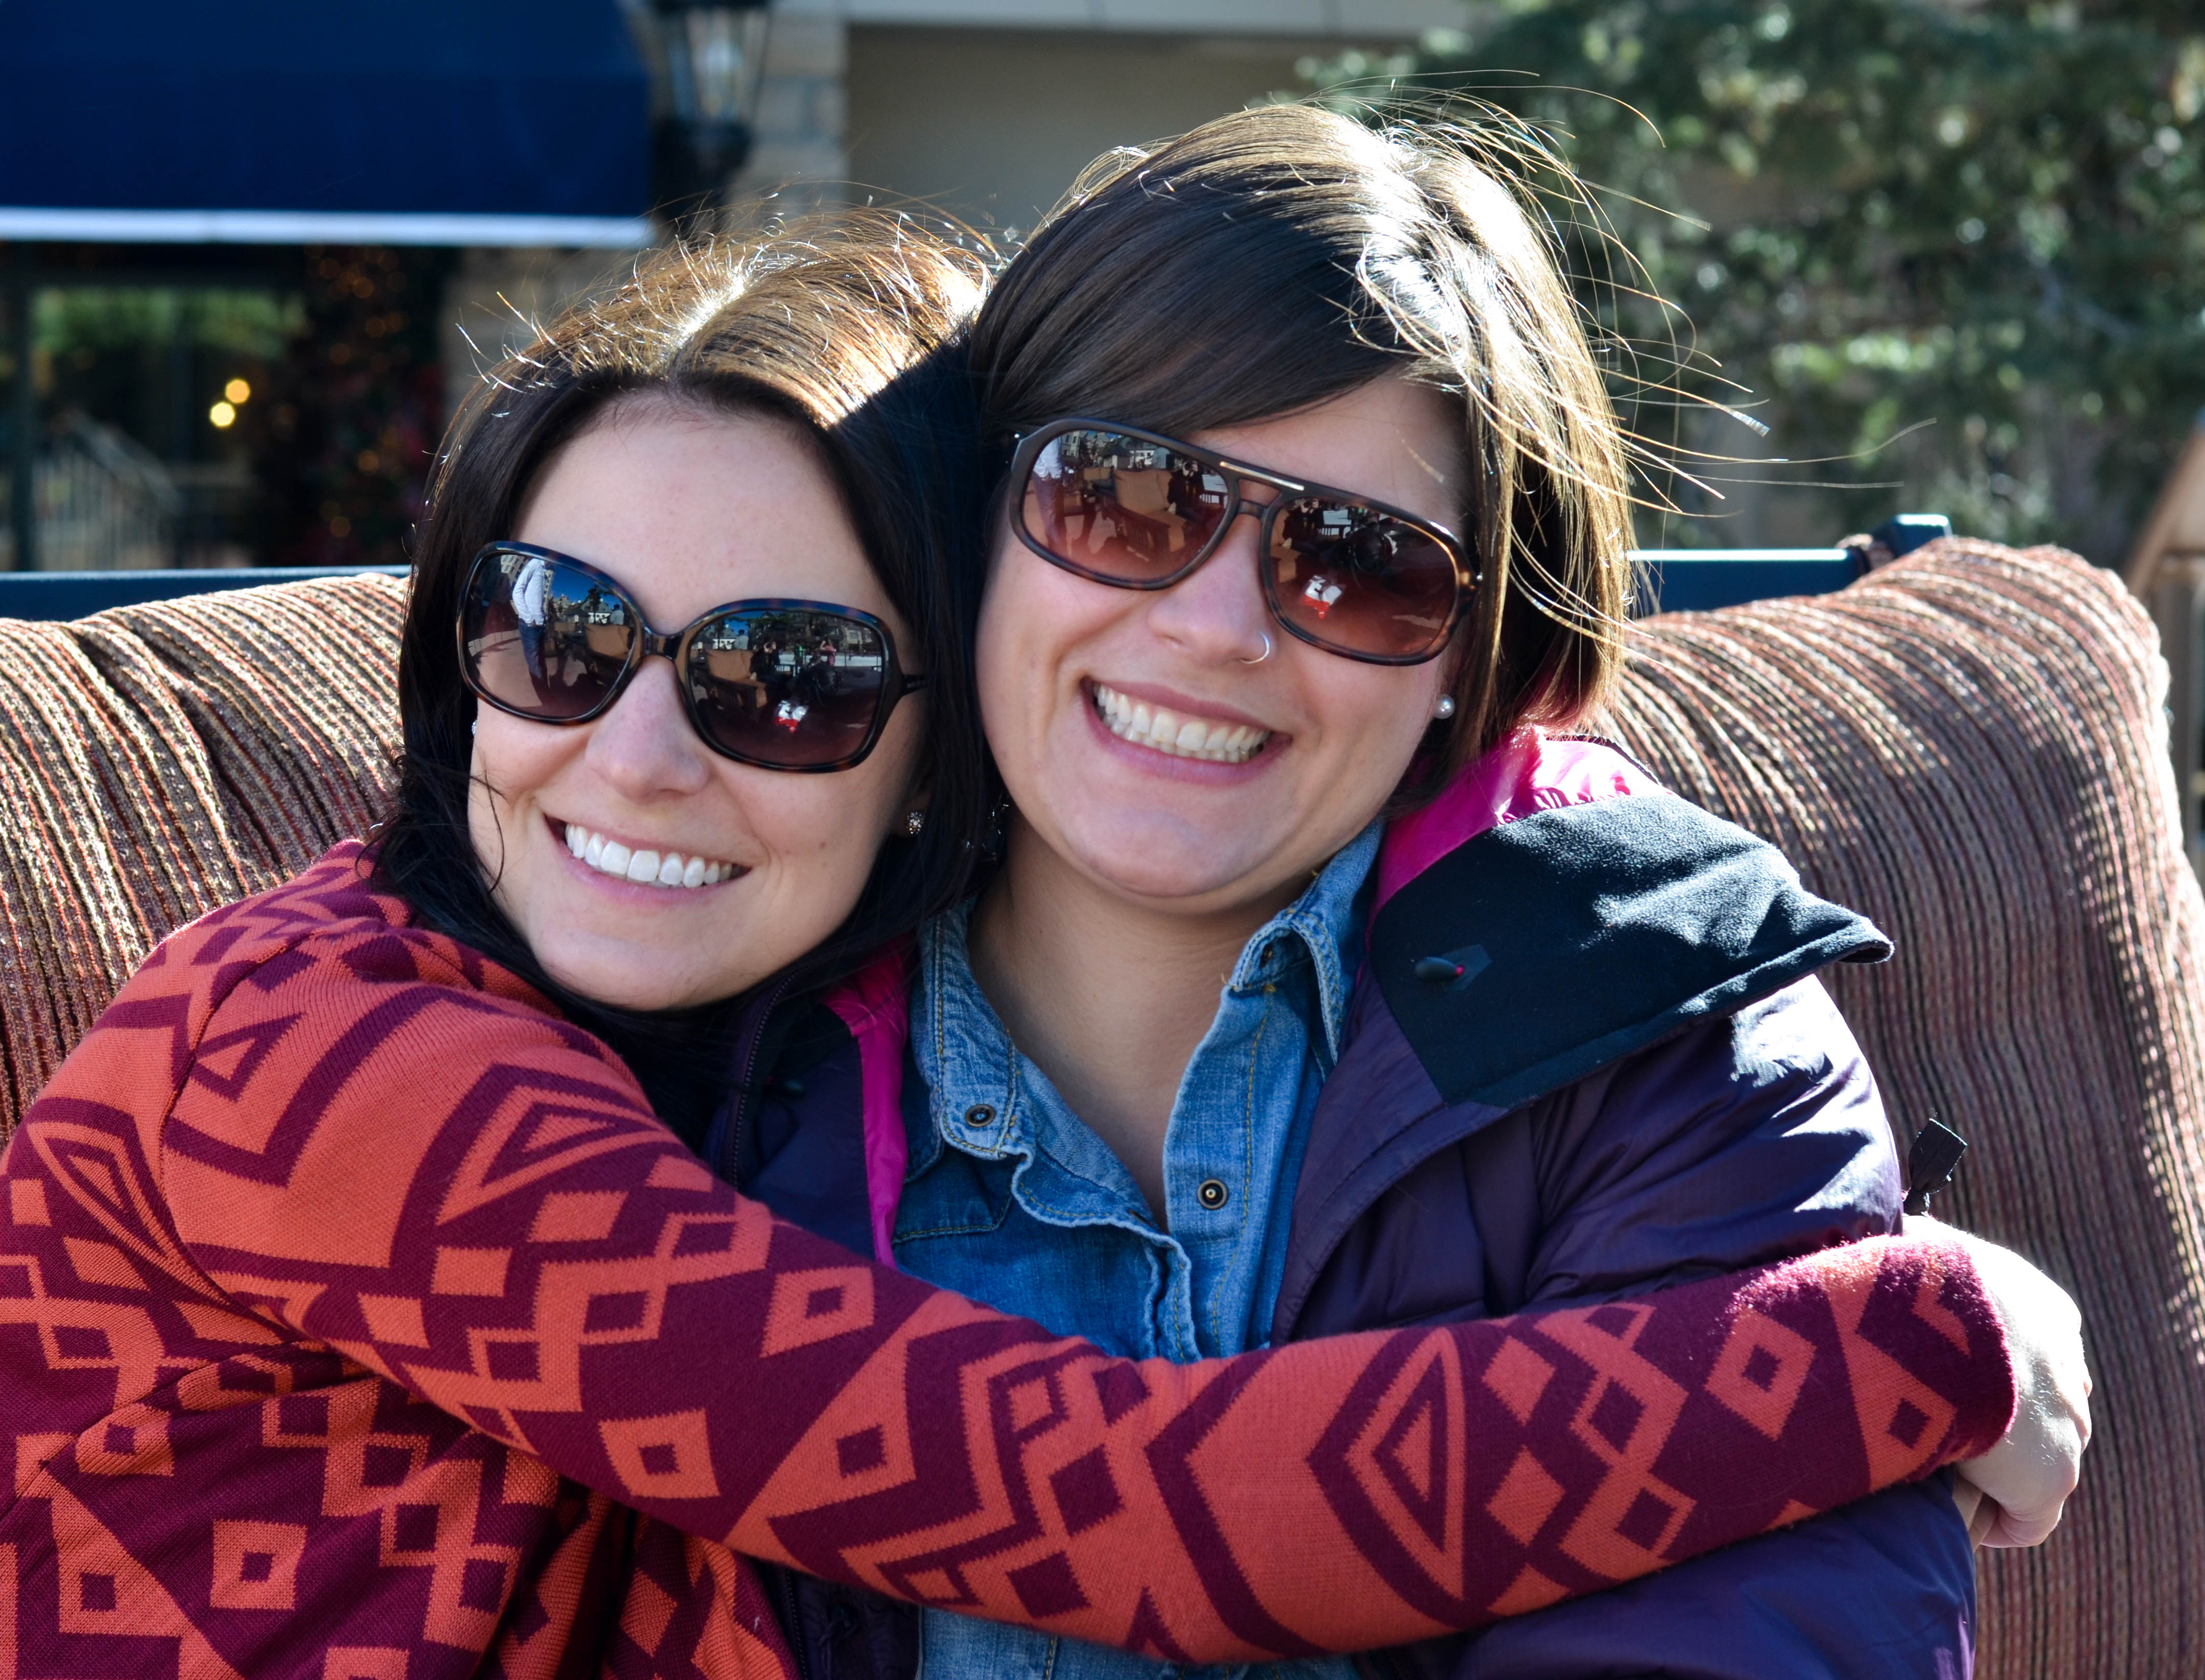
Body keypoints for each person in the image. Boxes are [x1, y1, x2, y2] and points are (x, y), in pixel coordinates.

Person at [0, 220, 2069, 1680]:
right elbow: (1129, 1502)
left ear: (934, 750)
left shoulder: (748, 1057)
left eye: (784, 679)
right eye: (558, 632)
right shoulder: (318, 1063)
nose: (634, 760)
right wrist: (1915, 1340)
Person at [839, 103, 2075, 1679]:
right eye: (1127, 497)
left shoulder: (1683, 1052)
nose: (1217, 627)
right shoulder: (728, 1020)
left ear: (1471, 654)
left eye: (1362, 565)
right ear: (977, 518)